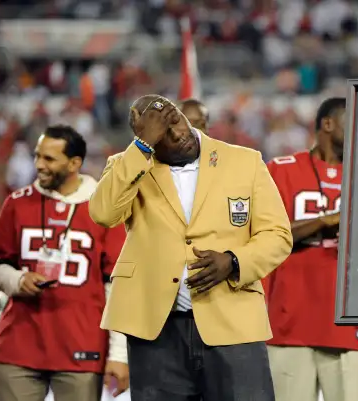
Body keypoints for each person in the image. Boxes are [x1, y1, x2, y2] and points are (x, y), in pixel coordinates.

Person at [89, 95, 293, 401]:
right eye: (163, 134)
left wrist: (233, 261)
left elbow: (277, 234)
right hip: (156, 329)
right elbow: (103, 213)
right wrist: (141, 148)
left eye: (177, 123)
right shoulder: (128, 166)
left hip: (233, 321)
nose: (178, 135)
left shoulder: (245, 160)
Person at [0, 125, 129, 401]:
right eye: (37, 156)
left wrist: (118, 354)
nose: (39, 165)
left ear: (74, 163)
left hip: (81, 345)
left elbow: (117, 285)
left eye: (49, 159)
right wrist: (16, 280)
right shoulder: (17, 204)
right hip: (18, 345)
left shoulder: (104, 209)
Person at [263, 97, 358, 401]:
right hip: (290, 322)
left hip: (352, 322)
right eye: (350, 122)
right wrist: (325, 220)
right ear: (327, 124)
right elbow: (263, 237)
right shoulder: (280, 170)